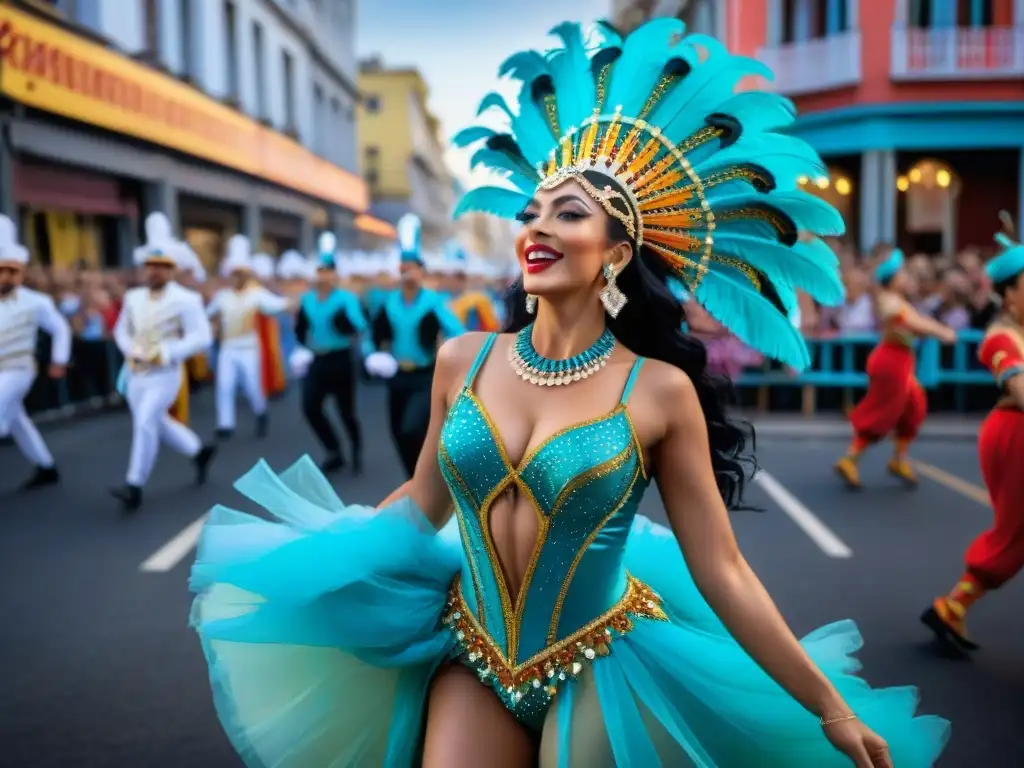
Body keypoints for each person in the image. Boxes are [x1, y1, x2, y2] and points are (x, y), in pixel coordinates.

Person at [190, 20, 949, 767]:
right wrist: (311, 566)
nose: (536, 226)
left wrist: (829, 704)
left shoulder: (659, 392)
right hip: (475, 653)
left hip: (605, 664)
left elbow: (722, 570)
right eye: (531, 211)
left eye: (569, 211)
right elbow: (420, 505)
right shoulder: (463, 359)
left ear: (617, 253)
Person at [922, 217, 1024, 653]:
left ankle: (954, 606)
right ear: (1010, 293)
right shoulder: (1001, 337)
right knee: (1014, 532)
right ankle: (952, 605)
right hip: (1015, 435)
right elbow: (1019, 389)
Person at [110, 225, 216, 513]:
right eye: (151, 266)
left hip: (165, 374)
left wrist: (168, 353)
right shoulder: (133, 298)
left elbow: (202, 336)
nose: (156, 271)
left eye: (163, 266)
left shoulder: (186, 299)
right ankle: (199, 451)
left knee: (145, 421)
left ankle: (134, 485)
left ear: (172, 270)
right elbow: (120, 330)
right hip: (135, 373)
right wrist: (129, 349)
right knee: (156, 422)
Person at [834, 249, 957, 489]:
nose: (906, 277)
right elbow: (913, 323)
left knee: (914, 407)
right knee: (881, 412)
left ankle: (898, 458)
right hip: (890, 362)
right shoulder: (888, 300)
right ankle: (850, 459)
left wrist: (936, 330)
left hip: (899, 361)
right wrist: (941, 331)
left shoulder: (896, 300)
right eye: (902, 273)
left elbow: (917, 324)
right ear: (893, 278)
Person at [370, 213, 466, 477]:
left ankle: (427, 477)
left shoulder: (433, 302)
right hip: (397, 374)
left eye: (412, 267)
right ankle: (413, 480)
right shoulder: (389, 302)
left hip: (426, 376)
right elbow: (372, 334)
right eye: (403, 268)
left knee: (413, 427)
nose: (407, 272)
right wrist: (372, 355)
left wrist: (450, 356)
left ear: (421, 272)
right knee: (397, 431)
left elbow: (457, 331)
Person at [295, 233, 379, 474]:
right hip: (318, 359)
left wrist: (346, 324)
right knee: (310, 406)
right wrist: (300, 349)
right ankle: (333, 449)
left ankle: (355, 448)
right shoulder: (308, 299)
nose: (324, 276)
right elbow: (301, 327)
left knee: (346, 411)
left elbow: (360, 325)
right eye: (320, 271)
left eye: (328, 271)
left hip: (341, 359)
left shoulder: (346, 299)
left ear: (335, 275)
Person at [0, 214, 70, 490]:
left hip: (18, 369)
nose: (5, 276)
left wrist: (59, 360)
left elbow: (61, 329)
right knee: (18, 422)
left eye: (10, 271)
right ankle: (46, 466)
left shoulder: (35, 302)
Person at [206, 235, 291, 440]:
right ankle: (225, 424)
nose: (237, 277)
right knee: (224, 385)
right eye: (234, 274)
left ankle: (260, 411)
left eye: (240, 274)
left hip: (248, 349)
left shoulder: (256, 294)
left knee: (252, 386)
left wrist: (292, 302)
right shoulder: (222, 296)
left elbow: (275, 304)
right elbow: (207, 314)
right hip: (228, 348)